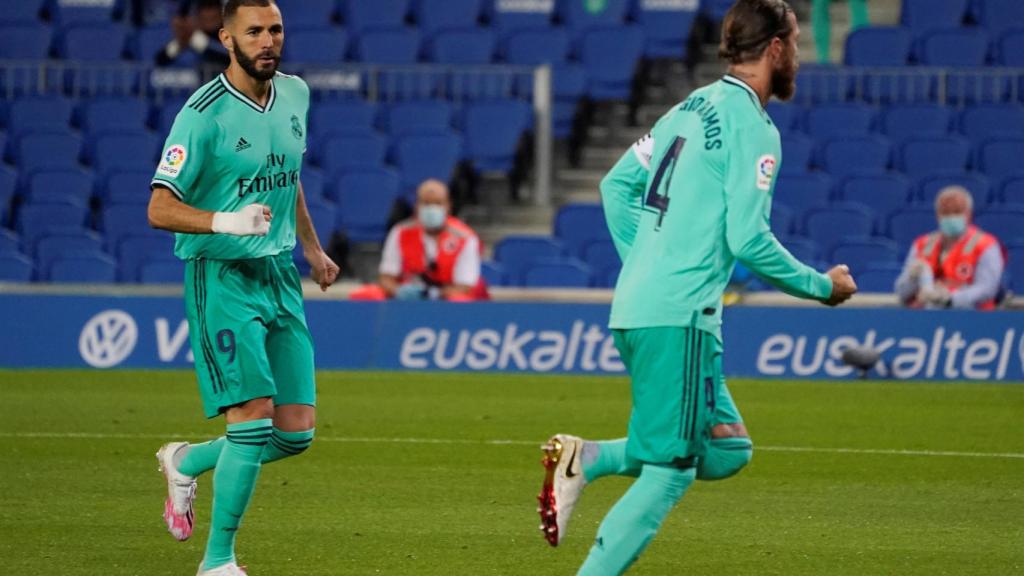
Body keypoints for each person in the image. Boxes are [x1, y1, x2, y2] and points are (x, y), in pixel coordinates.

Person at [535, 1, 857, 574]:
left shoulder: (686, 108)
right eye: (798, 46)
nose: (800, 59)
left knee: (729, 447)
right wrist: (821, 287)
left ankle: (586, 458)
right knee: (672, 469)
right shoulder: (754, 128)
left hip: (646, 307)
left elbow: (615, 188)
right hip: (677, 317)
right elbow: (749, 238)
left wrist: (650, 262)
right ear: (777, 49)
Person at [147, 1, 339, 574]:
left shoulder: (297, 94)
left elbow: (289, 175)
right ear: (227, 38)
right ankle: (218, 561)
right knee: (252, 420)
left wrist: (311, 247)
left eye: (275, 29)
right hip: (223, 276)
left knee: (295, 433)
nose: (267, 41)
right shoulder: (201, 115)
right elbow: (159, 207)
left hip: (279, 274)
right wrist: (224, 220)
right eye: (253, 31)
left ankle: (185, 458)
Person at [895, 186, 1005, 310]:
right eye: (945, 212)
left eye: (957, 212)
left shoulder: (986, 245)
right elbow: (901, 292)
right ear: (938, 216)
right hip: (927, 317)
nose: (951, 217)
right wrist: (912, 279)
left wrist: (950, 299)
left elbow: (987, 289)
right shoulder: (922, 244)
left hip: (973, 318)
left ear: (968, 214)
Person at [377, 179, 483, 301]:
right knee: (368, 295)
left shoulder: (465, 238)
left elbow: (465, 286)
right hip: (409, 300)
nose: (432, 209)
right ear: (417, 206)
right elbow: (386, 277)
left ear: (448, 206)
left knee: (460, 299)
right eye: (426, 203)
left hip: (447, 301)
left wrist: (434, 294)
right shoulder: (400, 232)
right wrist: (399, 291)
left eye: (438, 203)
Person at [156, 0, 231, 71]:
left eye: (212, 8)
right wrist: (179, 44)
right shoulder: (189, 35)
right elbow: (159, 62)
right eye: (204, 9)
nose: (209, 15)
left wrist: (205, 45)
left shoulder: (230, 34)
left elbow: (234, 59)